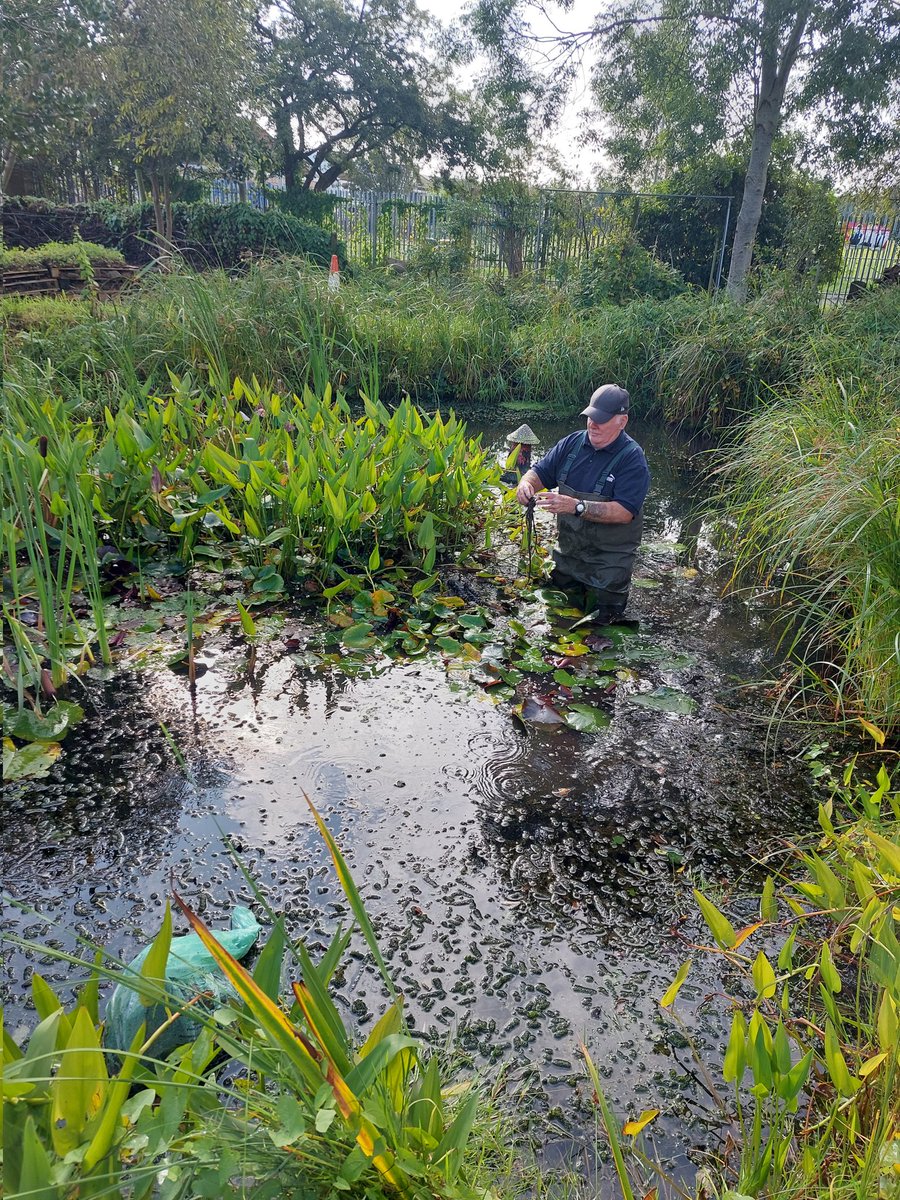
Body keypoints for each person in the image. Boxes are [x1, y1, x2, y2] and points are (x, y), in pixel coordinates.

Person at [515, 384, 650, 621]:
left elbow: (624, 512)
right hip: (567, 558)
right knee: (556, 625)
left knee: (601, 635)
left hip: (608, 566)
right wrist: (526, 484)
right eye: (590, 417)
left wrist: (576, 506)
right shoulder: (571, 444)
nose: (593, 424)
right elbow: (539, 472)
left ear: (622, 421)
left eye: (602, 419)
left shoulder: (632, 459)